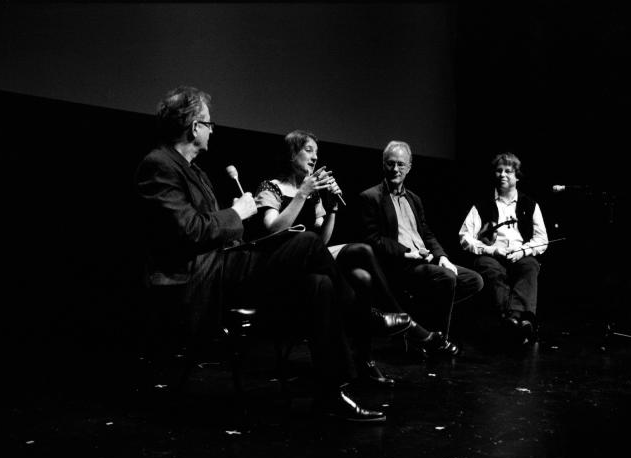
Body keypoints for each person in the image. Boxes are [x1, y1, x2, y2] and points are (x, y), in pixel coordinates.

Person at [134, 86, 385, 422]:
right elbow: (189, 232)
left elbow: (215, 228)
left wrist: (236, 219)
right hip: (199, 282)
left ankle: (331, 392)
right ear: (194, 127)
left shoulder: (195, 171)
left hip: (225, 268)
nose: (213, 130)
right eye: (208, 124)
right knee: (308, 243)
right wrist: (237, 213)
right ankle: (362, 314)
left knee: (317, 285)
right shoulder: (159, 165)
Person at [253, 130, 412, 386]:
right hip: (281, 267)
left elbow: (322, 240)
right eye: (308, 150)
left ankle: (365, 361)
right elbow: (273, 229)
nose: (315, 157)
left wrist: (332, 206)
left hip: (312, 261)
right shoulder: (271, 187)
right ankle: (378, 319)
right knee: (341, 257)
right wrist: (302, 194)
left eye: (317, 152)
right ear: (292, 153)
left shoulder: (313, 192)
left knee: (362, 275)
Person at [358, 140, 484, 358]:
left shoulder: (414, 199)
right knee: (446, 279)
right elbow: (372, 239)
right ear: (383, 164)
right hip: (401, 265)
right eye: (390, 164)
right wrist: (406, 252)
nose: (395, 169)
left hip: (425, 261)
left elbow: (426, 233)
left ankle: (419, 329)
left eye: (400, 164)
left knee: (473, 280)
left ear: (409, 167)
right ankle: (437, 340)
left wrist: (442, 256)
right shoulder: (371, 197)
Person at [458, 152, 548, 343]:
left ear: (517, 176)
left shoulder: (530, 205)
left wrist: (523, 251)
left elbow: (542, 239)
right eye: (499, 171)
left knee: (530, 265)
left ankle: (513, 319)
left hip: (519, 255)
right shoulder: (482, 205)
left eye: (508, 171)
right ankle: (518, 320)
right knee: (489, 268)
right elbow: (464, 237)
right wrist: (491, 250)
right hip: (492, 255)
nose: (503, 175)